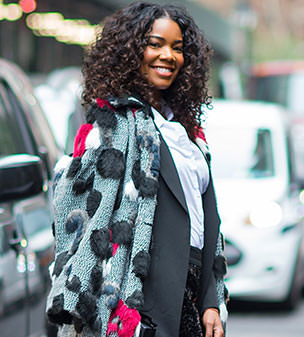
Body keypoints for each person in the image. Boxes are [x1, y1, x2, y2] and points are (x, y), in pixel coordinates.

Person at [46, 2, 228, 337]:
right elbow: (80, 212)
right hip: (140, 302)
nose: (167, 56)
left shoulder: (189, 133)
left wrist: (211, 300)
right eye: (155, 44)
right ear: (131, 51)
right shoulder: (116, 123)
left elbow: (206, 224)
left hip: (191, 293)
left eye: (177, 48)